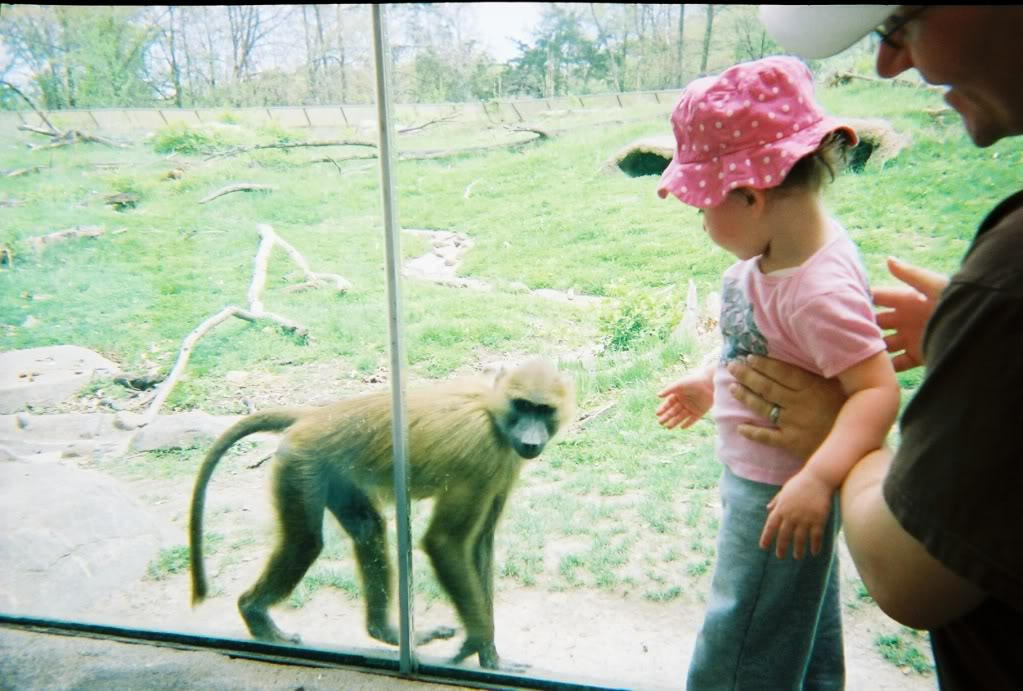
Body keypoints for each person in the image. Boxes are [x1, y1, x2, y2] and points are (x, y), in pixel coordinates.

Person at [723, 6, 1023, 689]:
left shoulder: (1009, 281)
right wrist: (971, 328)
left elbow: (906, 575)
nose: (889, 61)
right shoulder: (1001, 300)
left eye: (899, 20)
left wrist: (839, 430)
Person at [653, 55, 901, 689]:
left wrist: (816, 481)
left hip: (780, 488)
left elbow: (876, 391)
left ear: (749, 195)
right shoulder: (770, 261)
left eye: (702, 207)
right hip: (772, 481)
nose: (703, 223)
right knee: (795, 623)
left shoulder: (818, 290)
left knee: (742, 641)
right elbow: (759, 343)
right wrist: (712, 379)